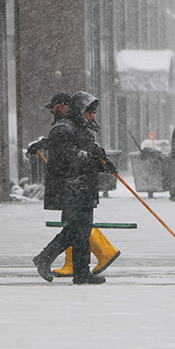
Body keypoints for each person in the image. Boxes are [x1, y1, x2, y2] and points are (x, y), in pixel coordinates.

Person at [28, 93, 121, 279]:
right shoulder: (63, 129)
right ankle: (45, 258)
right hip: (70, 188)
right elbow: (69, 157)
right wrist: (93, 160)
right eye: (90, 112)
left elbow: (92, 151)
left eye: (94, 112)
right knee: (76, 229)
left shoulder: (83, 129)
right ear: (80, 110)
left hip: (84, 188)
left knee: (83, 231)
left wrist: (104, 162)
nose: (92, 116)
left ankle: (81, 272)